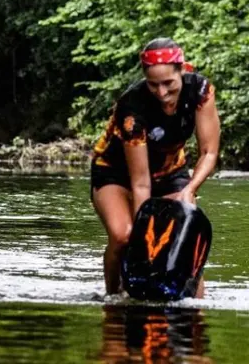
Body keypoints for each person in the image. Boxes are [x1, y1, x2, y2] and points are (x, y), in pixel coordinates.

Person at [90, 37, 220, 296]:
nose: (162, 93)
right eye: (153, 85)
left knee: (184, 235)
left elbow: (209, 152)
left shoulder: (200, 91)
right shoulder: (132, 107)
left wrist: (190, 189)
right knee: (125, 236)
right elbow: (141, 183)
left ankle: (195, 306)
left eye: (168, 83)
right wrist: (144, 232)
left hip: (170, 171)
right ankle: (113, 298)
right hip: (115, 172)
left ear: (182, 70)